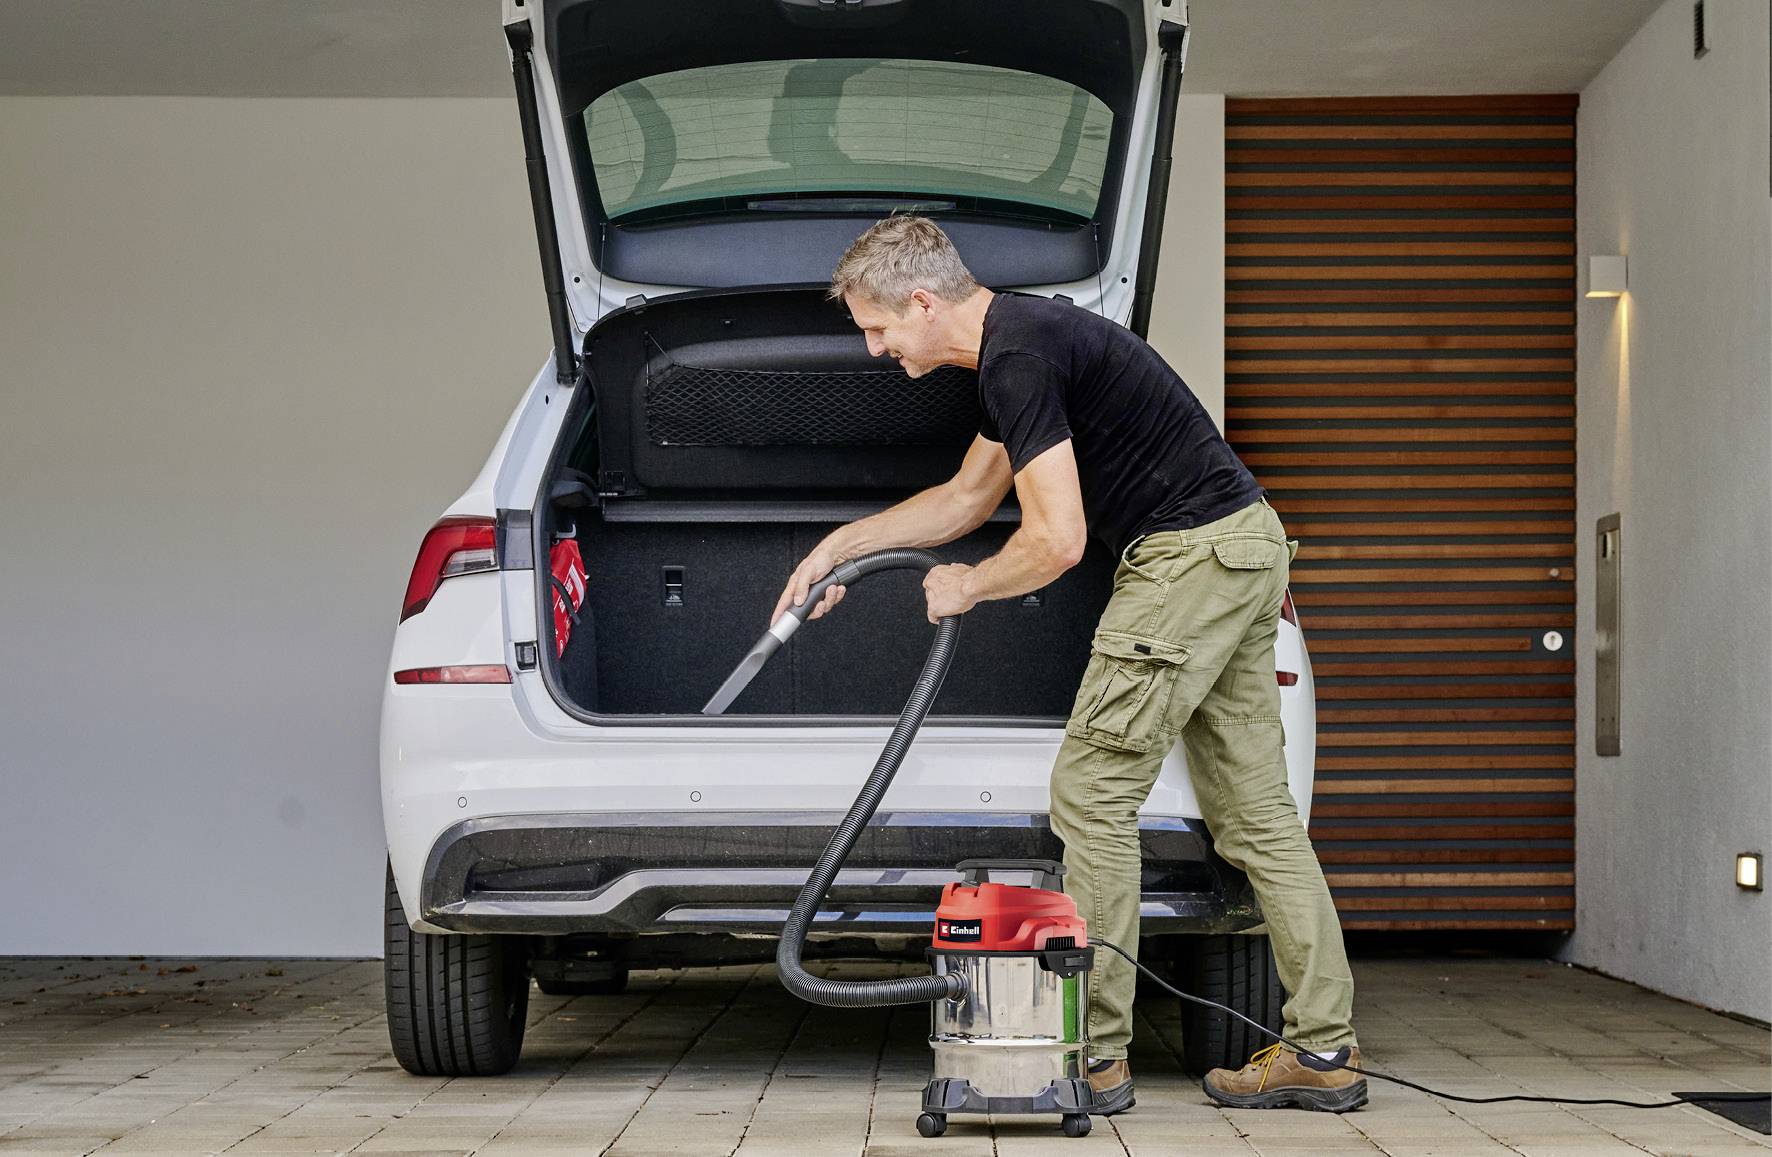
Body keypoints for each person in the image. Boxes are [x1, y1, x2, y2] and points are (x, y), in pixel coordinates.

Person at [772, 216, 1365, 1114]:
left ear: (923, 303)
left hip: (1188, 557)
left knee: (1091, 794)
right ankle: (1326, 1049)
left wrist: (970, 587)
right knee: (1254, 815)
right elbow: (968, 497)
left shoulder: (1020, 358)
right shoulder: (1023, 345)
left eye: (879, 326)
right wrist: (837, 549)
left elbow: (1057, 540)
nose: (875, 346)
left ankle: (1094, 1055)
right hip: (1242, 544)